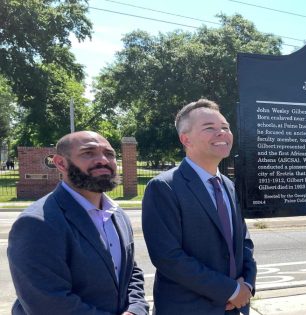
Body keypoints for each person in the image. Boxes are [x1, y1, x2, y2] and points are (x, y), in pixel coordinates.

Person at [7, 131, 149, 315]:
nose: (103, 160)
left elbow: (130, 272)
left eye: (109, 154)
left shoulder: (117, 214)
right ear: (60, 163)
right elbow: (47, 303)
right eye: (88, 153)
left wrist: (136, 310)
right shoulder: (36, 222)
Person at [142, 99, 257, 314]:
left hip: (234, 308)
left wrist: (247, 286)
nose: (222, 133)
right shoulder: (164, 187)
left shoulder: (229, 186)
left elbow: (244, 241)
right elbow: (168, 257)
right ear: (186, 139)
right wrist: (231, 291)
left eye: (225, 127)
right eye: (209, 128)